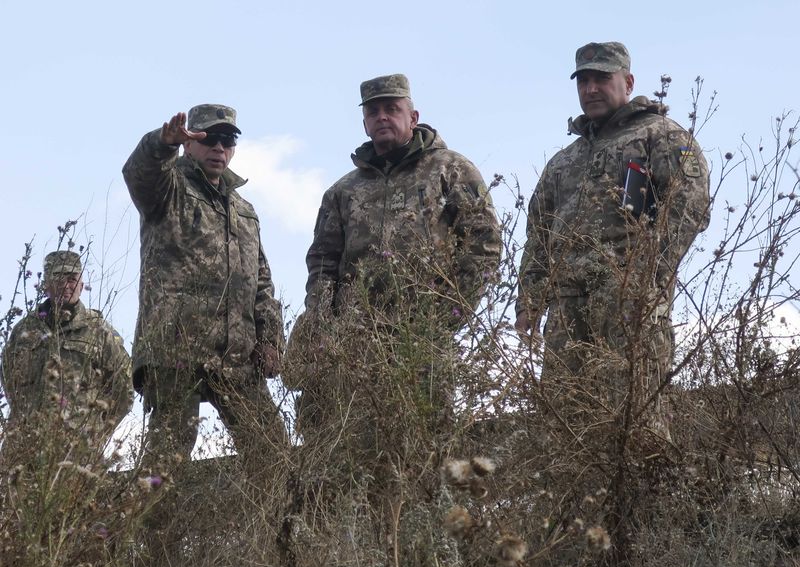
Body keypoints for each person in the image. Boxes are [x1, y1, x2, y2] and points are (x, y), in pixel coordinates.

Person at [287, 73, 501, 443]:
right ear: (365, 122)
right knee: (351, 446)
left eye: (392, 109)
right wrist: (324, 325)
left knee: (426, 439)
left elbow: (484, 245)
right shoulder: (343, 191)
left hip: (423, 337)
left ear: (413, 117)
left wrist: (448, 315)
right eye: (374, 111)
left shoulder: (451, 169)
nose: (383, 117)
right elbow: (322, 263)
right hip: (354, 344)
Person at [515, 42, 710, 441]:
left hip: (628, 301)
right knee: (564, 423)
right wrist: (530, 302)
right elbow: (539, 232)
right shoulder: (563, 161)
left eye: (602, 78)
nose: (591, 89)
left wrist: (646, 274)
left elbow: (690, 204)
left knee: (635, 419)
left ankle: (641, 500)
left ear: (628, 81)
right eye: (583, 81)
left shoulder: (659, 135)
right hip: (568, 310)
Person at [122, 104, 286, 475]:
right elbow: (140, 175)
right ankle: (146, 532)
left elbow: (261, 281)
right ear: (190, 143)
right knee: (165, 465)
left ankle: (275, 533)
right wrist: (160, 144)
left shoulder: (244, 211)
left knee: (273, 455)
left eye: (227, 140)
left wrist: (271, 339)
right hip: (176, 351)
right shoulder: (168, 188)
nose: (219, 147)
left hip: (236, 355)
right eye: (209, 138)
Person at [1, 250, 132, 451]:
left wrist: (97, 434)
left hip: (76, 450)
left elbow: (124, 389)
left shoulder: (99, 331)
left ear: (81, 284)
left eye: (72, 279)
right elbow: (9, 380)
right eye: (58, 278)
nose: (66, 285)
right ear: (46, 284)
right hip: (23, 446)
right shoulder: (24, 330)